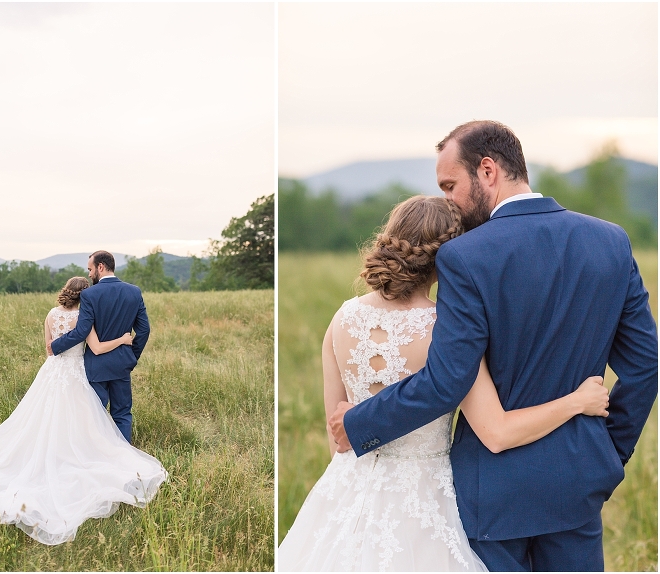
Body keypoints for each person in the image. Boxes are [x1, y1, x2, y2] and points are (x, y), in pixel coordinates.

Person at [329, 121, 658, 571]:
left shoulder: (465, 257)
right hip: (578, 484)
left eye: (451, 185)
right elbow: (645, 366)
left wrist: (360, 421)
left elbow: (447, 381)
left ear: (487, 171)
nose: (449, 202)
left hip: (493, 493)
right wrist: (605, 453)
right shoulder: (611, 242)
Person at [278, 195, 611, 571]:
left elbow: (337, 437)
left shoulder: (342, 319)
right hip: (426, 504)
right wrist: (577, 402)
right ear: (448, 256)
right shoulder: (445, 329)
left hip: (344, 496)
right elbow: (497, 432)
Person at [0, 276, 167, 545]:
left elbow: (48, 350)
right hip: (76, 372)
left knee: (41, 418)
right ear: (84, 296)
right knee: (85, 420)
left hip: (52, 373)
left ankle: (53, 451)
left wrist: (58, 355)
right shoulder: (84, 317)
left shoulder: (51, 314)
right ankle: (83, 454)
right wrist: (124, 339)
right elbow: (97, 347)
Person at [48, 250, 149, 443]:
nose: (89, 274)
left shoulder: (89, 295)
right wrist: (130, 356)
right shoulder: (134, 292)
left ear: (100, 267)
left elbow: (81, 331)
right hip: (122, 364)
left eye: (90, 269)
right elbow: (144, 331)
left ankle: (98, 456)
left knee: (96, 415)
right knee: (122, 413)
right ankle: (124, 456)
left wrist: (56, 346)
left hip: (97, 366)